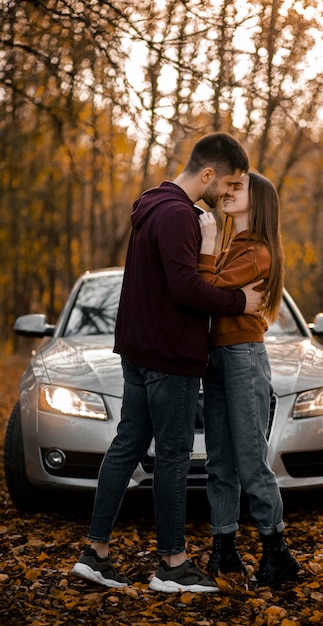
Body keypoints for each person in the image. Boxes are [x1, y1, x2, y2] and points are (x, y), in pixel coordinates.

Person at [70, 133, 264, 593]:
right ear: (209, 173)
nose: (227, 194)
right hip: (170, 356)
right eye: (229, 182)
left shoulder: (152, 203)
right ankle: (172, 565)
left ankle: (95, 553)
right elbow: (186, 290)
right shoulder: (179, 215)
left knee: (126, 446)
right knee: (174, 456)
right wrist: (240, 300)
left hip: (139, 350)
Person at [197, 171, 300, 589]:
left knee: (251, 461)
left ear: (257, 203)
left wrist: (203, 250)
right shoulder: (230, 248)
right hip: (216, 357)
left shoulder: (257, 251)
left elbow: (205, 289)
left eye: (237, 188)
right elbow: (208, 292)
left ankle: (277, 553)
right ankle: (225, 551)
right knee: (218, 462)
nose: (227, 192)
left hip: (243, 357)